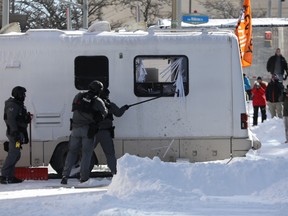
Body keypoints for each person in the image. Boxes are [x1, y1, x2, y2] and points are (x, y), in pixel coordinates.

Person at [61, 80, 108, 184]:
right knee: (86, 154)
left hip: (75, 129)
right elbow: (104, 113)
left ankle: (65, 176)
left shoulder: (79, 95)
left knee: (72, 152)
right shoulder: (98, 101)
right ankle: (84, 178)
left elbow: (73, 107)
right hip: (88, 130)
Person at [94, 88, 129, 175]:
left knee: (86, 153)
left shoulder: (93, 104)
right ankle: (114, 172)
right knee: (110, 154)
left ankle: (83, 173)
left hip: (93, 133)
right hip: (106, 133)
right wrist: (125, 107)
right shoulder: (110, 105)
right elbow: (119, 113)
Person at [1, 86, 31, 184]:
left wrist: (27, 119)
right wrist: (15, 132)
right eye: (23, 94)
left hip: (18, 134)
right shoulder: (12, 105)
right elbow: (10, 119)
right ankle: (5, 176)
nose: (24, 96)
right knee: (13, 154)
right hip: (15, 134)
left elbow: (19, 118)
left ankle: (10, 175)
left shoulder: (18, 105)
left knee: (16, 154)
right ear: (18, 94)